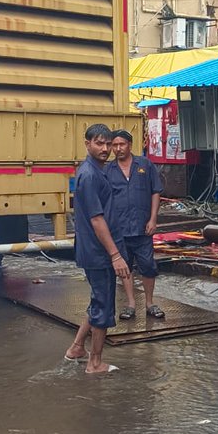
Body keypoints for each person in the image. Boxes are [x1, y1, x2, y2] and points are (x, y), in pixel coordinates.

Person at [64, 124, 131, 373]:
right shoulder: (90, 175)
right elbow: (96, 219)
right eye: (99, 143)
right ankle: (95, 362)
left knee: (98, 299)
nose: (105, 149)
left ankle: (77, 347)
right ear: (87, 143)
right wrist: (115, 255)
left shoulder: (96, 170)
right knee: (103, 305)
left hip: (95, 248)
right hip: (98, 251)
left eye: (109, 144)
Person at [107, 130, 165, 319]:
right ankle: (131, 303)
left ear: (130, 145)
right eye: (114, 145)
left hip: (143, 227)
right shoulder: (108, 170)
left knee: (148, 265)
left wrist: (153, 218)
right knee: (125, 267)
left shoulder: (145, 165)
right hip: (120, 228)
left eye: (122, 144)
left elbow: (155, 191)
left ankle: (149, 303)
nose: (118, 149)